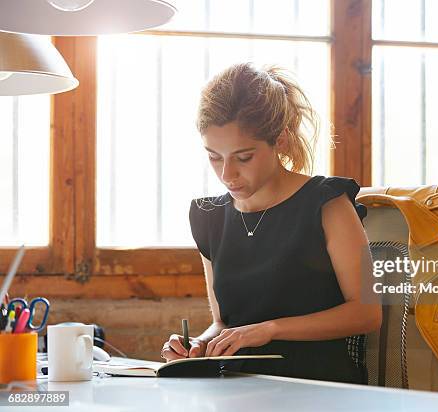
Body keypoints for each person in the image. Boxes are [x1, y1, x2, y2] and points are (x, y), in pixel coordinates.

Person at [161, 62, 381, 384]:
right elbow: (223, 323)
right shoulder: (208, 217)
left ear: (280, 140)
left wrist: (270, 329)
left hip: (318, 389)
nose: (227, 174)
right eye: (214, 156)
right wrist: (198, 345)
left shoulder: (327, 203)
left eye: (244, 157)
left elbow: (367, 313)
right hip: (236, 390)